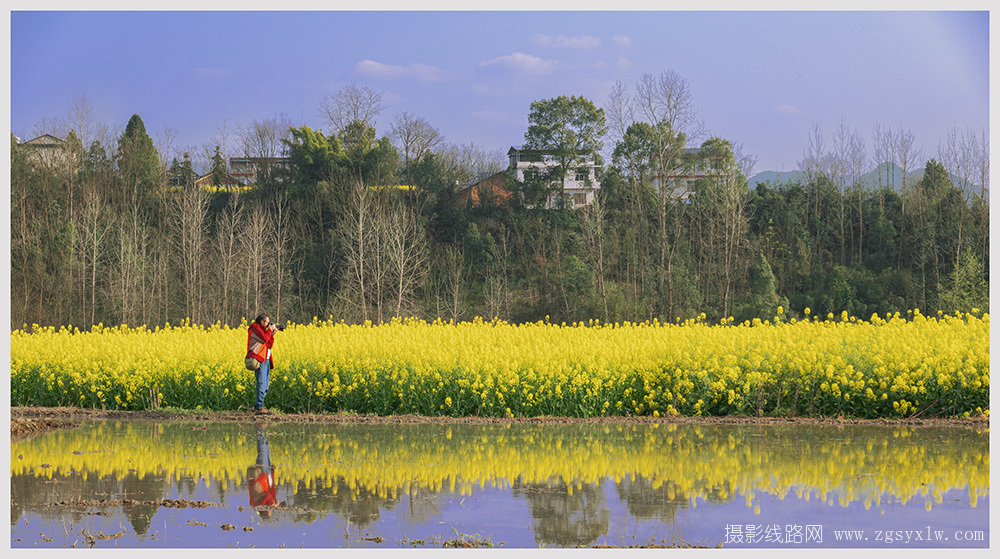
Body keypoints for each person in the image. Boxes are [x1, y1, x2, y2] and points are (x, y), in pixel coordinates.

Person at [247, 313, 278, 415]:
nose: (269, 324)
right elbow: (264, 338)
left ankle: (259, 405)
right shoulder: (255, 328)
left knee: (265, 385)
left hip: (266, 359)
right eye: (268, 322)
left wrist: (272, 334)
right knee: (261, 383)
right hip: (260, 359)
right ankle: (259, 407)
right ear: (262, 322)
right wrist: (269, 330)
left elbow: (269, 343)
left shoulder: (263, 330)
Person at [247, 423, 277, 516]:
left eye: (269, 511)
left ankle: (259, 427)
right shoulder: (265, 504)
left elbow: (266, 495)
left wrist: (273, 503)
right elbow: (271, 490)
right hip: (267, 475)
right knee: (266, 447)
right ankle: (261, 429)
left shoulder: (256, 504)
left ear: (264, 512)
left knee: (262, 450)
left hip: (262, 475)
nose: (270, 510)